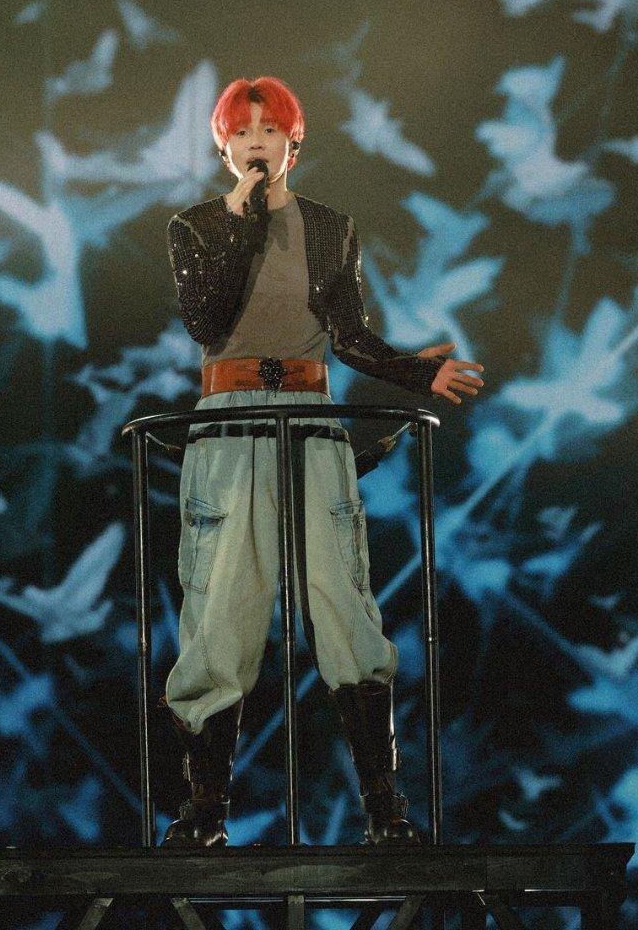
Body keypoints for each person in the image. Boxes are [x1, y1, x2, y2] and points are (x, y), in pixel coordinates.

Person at [158, 76, 484, 847]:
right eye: (243, 132)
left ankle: (385, 810)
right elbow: (206, 319)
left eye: (270, 131)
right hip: (229, 424)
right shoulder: (196, 227)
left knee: (343, 598)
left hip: (310, 415)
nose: (257, 143)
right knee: (220, 607)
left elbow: (349, 334)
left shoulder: (331, 229)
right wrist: (242, 224)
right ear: (224, 147)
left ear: (293, 144)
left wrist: (417, 373)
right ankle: (205, 812)